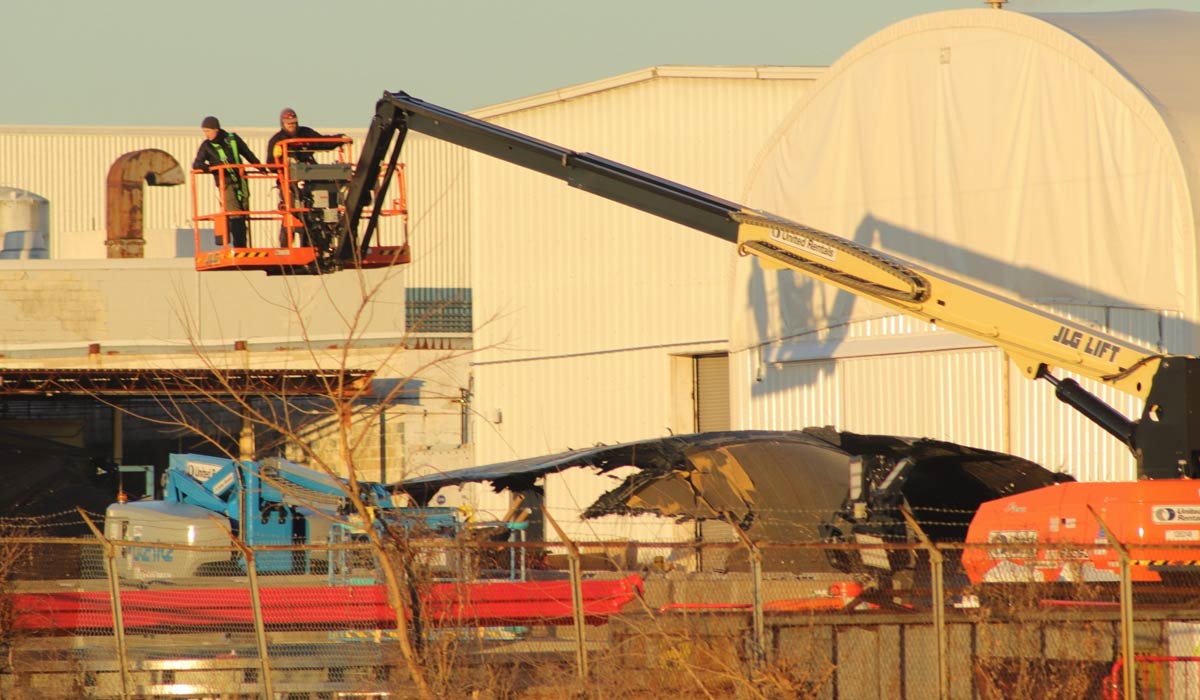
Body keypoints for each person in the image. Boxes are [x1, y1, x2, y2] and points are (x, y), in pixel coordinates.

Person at [267, 108, 344, 247]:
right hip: (289, 182)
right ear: (282, 123)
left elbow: (322, 142)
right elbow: (270, 165)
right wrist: (277, 159)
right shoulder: (277, 140)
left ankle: (318, 242)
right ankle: (285, 246)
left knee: (320, 210)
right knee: (292, 212)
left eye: (294, 122)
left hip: (311, 180)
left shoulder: (306, 133)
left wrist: (339, 139)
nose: (292, 125)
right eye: (288, 123)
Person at [192, 116, 262, 248]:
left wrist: (261, 168)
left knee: (243, 213)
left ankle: (242, 245)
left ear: (216, 129)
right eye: (204, 132)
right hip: (225, 184)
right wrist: (211, 168)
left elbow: (248, 154)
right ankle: (239, 247)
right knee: (235, 215)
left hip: (241, 181)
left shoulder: (232, 139)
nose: (206, 135)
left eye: (208, 131)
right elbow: (196, 164)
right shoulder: (207, 146)